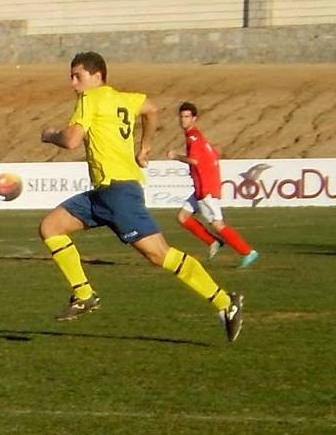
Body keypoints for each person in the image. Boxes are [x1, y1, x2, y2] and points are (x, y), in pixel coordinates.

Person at [38, 51, 244, 342]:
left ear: (97, 76)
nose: (73, 83)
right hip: (103, 194)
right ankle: (83, 294)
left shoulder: (90, 99)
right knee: (50, 227)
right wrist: (144, 146)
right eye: (71, 77)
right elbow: (151, 108)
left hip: (119, 194)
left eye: (77, 76)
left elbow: (71, 141)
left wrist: (49, 135)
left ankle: (226, 303)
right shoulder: (126, 98)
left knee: (161, 255)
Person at [167, 101, 259, 268]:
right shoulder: (197, 136)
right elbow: (214, 155)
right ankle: (213, 242)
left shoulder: (194, 136)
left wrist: (176, 156)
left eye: (187, 117)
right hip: (201, 187)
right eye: (181, 117)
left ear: (194, 118)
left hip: (205, 188)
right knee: (182, 217)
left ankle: (247, 252)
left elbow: (194, 160)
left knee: (217, 224)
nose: (183, 120)